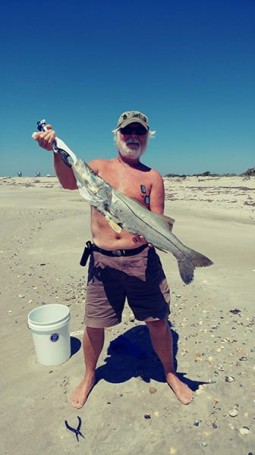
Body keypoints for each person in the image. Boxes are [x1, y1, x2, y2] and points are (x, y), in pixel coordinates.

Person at [34, 110, 193, 407]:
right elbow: (71, 181)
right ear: (117, 135)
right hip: (103, 263)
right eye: (126, 131)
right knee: (94, 323)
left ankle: (170, 373)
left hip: (142, 260)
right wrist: (55, 151)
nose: (133, 136)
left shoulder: (153, 176)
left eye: (139, 132)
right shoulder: (98, 167)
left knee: (158, 321)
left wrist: (154, 237)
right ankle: (89, 375)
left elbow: (158, 219)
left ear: (147, 138)